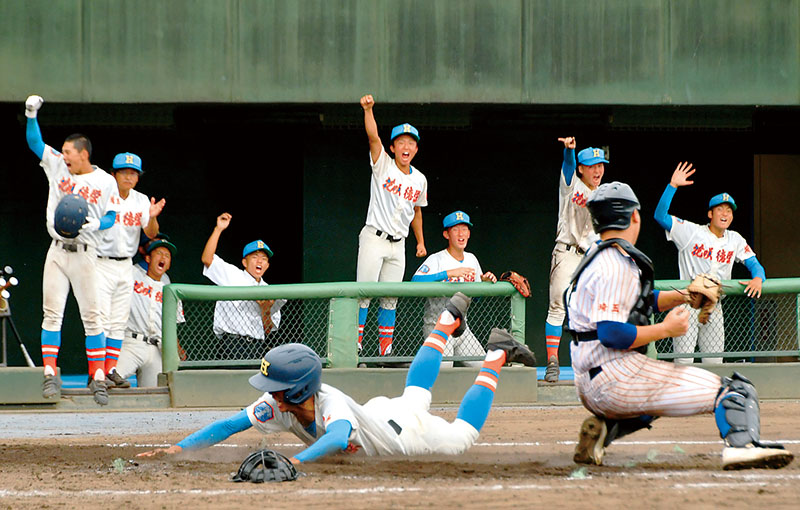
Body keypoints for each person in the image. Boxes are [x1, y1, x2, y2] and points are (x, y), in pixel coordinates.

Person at [137, 292, 536, 462]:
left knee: (459, 433)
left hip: (406, 436)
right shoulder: (283, 404)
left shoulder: (331, 406)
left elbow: (334, 436)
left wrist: (296, 461)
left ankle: (496, 354)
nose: (269, 397)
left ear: (298, 390)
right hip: (378, 416)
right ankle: (447, 321)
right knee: (415, 391)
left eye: (276, 390)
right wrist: (177, 448)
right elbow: (229, 424)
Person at [565, 181, 792, 470]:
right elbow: (612, 333)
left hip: (589, 380)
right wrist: (665, 330)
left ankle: (604, 432)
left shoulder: (597, 254)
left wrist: (685, 297)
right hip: (615, 378)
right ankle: (742, 446)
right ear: (633, 216)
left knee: (660, 397)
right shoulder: (615, 263)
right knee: (736, 390)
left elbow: (640, 301)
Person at [24, 94, 119, 406]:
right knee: (52, 315)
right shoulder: (58, 166)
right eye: (62, 152)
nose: (63, 156)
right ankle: (50, 374)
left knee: (93, 318)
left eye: (68, 152)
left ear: (83, 154)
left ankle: (99, 379)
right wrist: (30, 114)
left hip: (85, 253)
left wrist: (96, 225)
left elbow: (110, 216)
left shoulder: (104, 180)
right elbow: (35, 143)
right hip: (57, 252)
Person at [654, 162, 766, 364]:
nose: (725, 214)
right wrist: (672, 185)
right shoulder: (692, 232)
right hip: (688, 302)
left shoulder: (735, 239)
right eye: (720, 209)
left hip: (714, 305)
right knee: (683, 363)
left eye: (729, 211)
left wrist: (758, 278)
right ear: (710, 214)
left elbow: (754, 264)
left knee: (715, 364)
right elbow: (660, 216)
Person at [357, 94, 428, 358]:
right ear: (393, 147)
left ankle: (384, 352)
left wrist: (420, 241)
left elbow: (417, 211)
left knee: (390, 299)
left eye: (411, 143)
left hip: (399, 243)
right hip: (374, 237)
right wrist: (369, 110)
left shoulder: (420, 179)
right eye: (401, 142)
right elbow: (373, 137)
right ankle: (357, 347)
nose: (406, 146)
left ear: (416, 149)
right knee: (363, 294)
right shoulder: (383, 164)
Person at [96, 152, 166, 388]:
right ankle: (97, 369)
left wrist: (153, 217)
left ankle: (110, 368)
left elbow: (151, 233)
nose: (128, 176)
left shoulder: (141, 200)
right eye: (124, 172)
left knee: (117, 318)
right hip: (101, 261)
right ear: (113, 174)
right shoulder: (103, 195)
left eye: (133, 173)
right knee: (100, 318)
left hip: (125, 262)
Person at [543, 138, 607, 383]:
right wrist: (569, 151)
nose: (597, 170)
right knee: (558, 306)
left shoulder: (605, 194)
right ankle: (552, 362)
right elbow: (567, 167)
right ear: (582, 168)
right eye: (592, 166)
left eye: (600, 165)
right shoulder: (570, 185)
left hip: (591, 256)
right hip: (567, 252)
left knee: (593, 311)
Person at [412, 211, 496, 367]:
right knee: (444, 372)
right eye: (455, 229)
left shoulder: (472, 259)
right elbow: (415, 281)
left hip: (462, 330)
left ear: (469, 233)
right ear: (446, 234)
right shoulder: (437, 259)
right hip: (437, 328)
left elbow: (476, 299)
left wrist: (482, 284)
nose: (461, 234)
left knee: (485, 368)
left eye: (464, 229)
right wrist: (448, 274)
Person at [201, 212, 284, 361]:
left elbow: (268, 330)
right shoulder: (233, 274)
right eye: (255, 257)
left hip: (257, 346)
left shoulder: (270, 290)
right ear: (245, 262)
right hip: (231, 343)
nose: (260, 261)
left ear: (267, 265)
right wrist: (218, 229)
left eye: (264, 258)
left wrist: (265, 310)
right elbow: (207, 259)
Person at [115, 238, 183, 387]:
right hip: (132, 343)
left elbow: (172, 325)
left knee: (157, 392)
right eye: (159, 253)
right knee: (111, 377)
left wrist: (177, 348)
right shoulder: (132, 274)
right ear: (148, 258)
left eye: (167, 255)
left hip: (156, 348)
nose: (163, 257)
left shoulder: (170, 288)